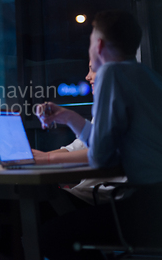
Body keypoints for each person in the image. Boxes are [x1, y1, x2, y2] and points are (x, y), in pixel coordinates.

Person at [36, 10, 162, 260]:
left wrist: (46, 157)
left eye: (91, 40)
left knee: (51, 235)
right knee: (60, 223)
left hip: (153, 208)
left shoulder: (110, 74)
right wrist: (71, 118)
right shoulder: (150, 77)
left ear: (98, 46)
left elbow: (102, 156)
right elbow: (107, 142)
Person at [32, 62, 126, 205]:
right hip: (89, 194)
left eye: (93, 69)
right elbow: (80, 146)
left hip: (107, 200)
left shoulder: (125, 107)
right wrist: (40, 156)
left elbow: (103, 152)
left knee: (38, 202)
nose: (88, 76)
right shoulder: (106, 105)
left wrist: (47, 159)